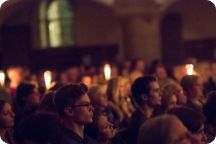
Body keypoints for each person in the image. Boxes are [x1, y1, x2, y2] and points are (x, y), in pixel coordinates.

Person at [112, 76, 161, 144]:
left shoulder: (149, 116)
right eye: (156, 91)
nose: (160, 94)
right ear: (144, 97)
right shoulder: (141, 124)